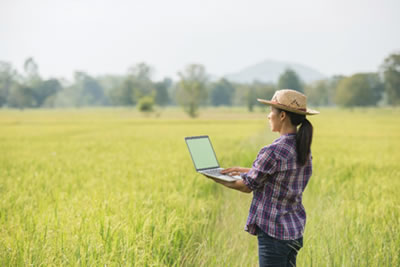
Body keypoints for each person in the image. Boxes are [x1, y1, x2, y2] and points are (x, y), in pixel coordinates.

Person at [207, 89, 319, 267]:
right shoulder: (302, 147)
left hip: (274, 233)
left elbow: (247, 186)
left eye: (271, 112)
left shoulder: (273, 151)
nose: (268, 116)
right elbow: (279, 174)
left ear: (282, 116)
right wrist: (243, 169)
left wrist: (214, 176)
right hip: (293, 231)